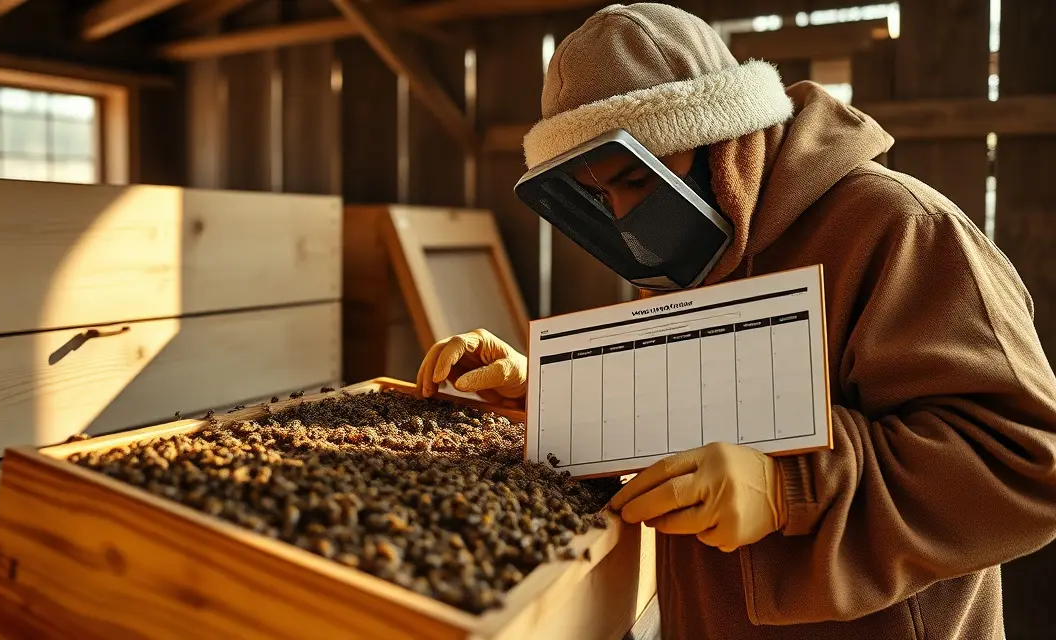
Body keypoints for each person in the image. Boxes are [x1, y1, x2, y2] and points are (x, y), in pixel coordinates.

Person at [415, 4, 1056, 639]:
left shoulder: (904, 230)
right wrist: (552, 394)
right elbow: (684, 406)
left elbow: (1028, 462)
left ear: (722, 136)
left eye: (636, 181)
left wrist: (791, 487)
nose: (624, 216)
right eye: (601, 194)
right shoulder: (699, 248)